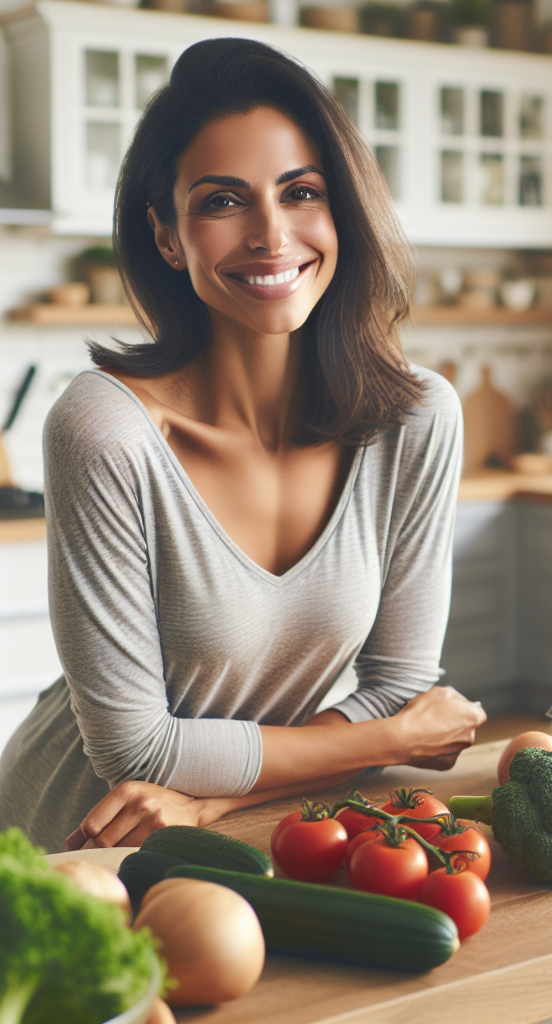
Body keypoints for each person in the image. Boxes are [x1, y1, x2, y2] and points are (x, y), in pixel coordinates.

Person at [0, 37, 486, 854]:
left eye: (301, 192)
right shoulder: (105, 429)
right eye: (223, 201)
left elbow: (401, 684)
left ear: (344, 211)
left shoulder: (416, 419)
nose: (269, 232)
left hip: (249, 826)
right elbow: (138, 752)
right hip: (83, 834)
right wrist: (388, 741)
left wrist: (212, 803)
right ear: (165, 235)